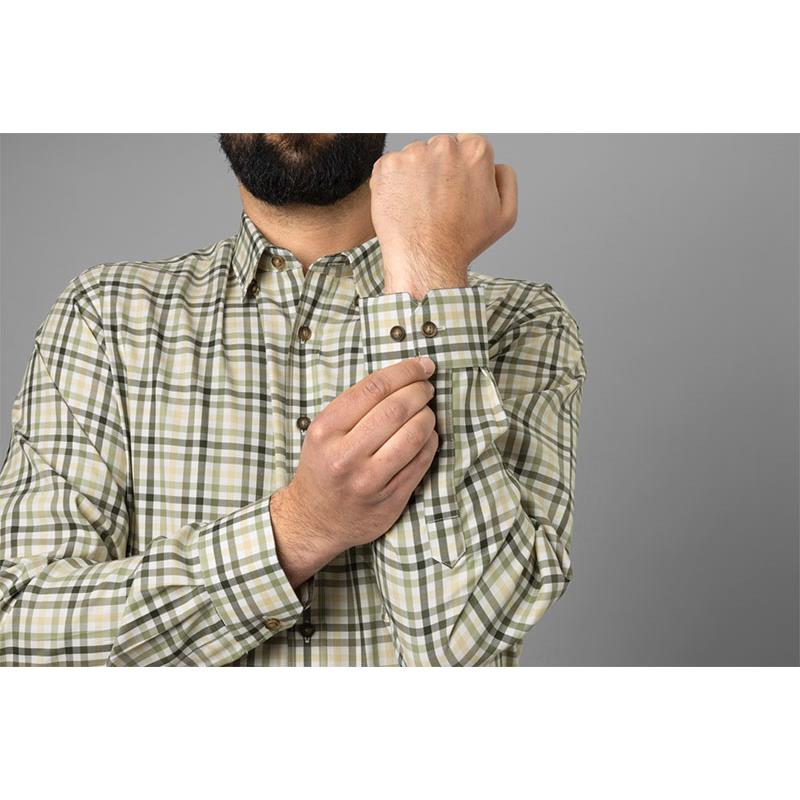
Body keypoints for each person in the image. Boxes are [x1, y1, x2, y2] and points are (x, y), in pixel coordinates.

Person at [0, 133, 587, 666]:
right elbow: (18, 630)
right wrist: (300, 528)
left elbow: (457, 647)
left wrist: (426, 274)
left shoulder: (518, 322)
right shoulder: (106, 317)